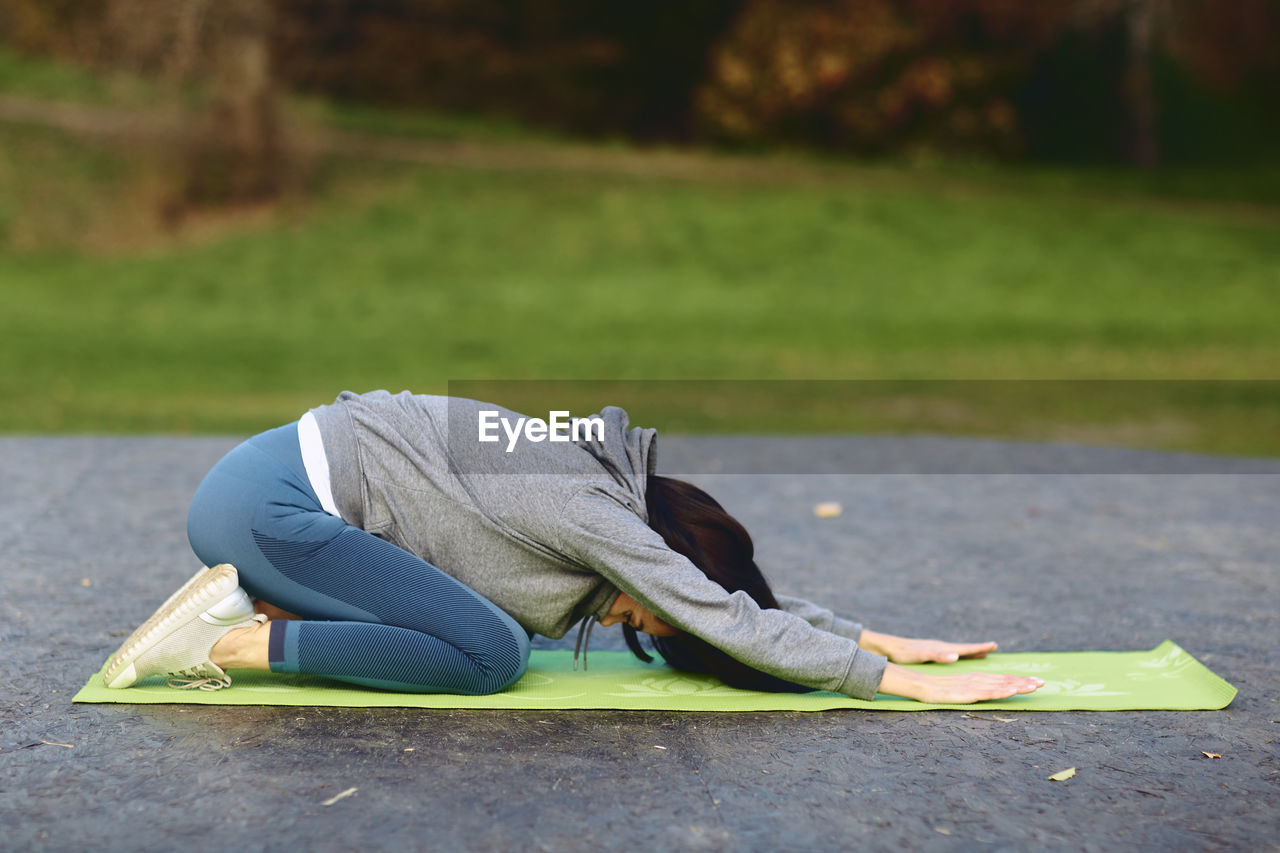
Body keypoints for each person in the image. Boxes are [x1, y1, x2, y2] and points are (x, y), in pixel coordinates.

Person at [103, 390, 1043, 704]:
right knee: (490, 653)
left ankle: (261, 605)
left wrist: (875, 634)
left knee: (480, 633)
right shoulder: (591, 511)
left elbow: (716, 598)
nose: (642, 615)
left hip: (261, 492)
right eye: (654, 594)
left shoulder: (592, 482)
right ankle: (228, 643)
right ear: (659, 544)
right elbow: (710, 605)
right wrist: (892, 683)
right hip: (275, 510)